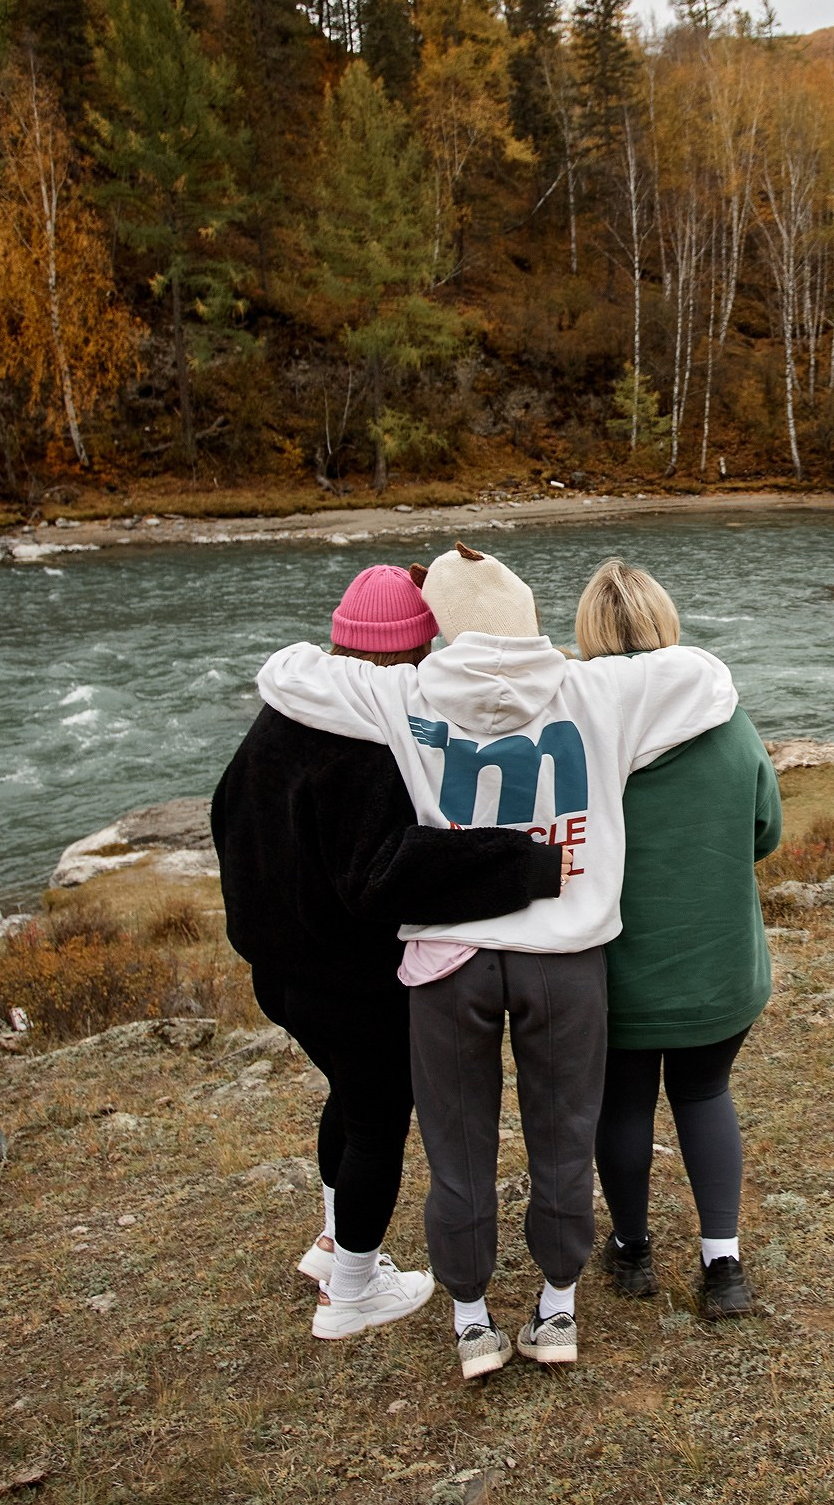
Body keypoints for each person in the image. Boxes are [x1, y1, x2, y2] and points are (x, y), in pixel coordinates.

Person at [254, 541, 739, 1381]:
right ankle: (556, 1308)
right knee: (561, 1136)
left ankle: (471, 1318)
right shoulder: (596, 690)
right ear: (530, 620)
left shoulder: (402, 693)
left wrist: (417, 608)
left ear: (446, 629)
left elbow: (286, 671)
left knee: (458, 1144)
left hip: (450, 959)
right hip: (565, 956)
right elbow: (708, 677)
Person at [211, 563, 565, 1344]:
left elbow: (226, 816)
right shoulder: (364, 741)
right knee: (377, 1117)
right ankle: (354, 1290)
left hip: (278, 967)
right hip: (345, 981)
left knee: (346, 1095)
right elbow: (386, 872)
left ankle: (335, 1242)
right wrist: (528, 861)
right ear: (412, 656)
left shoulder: (284, 712)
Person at [574, 559, 779, 1321]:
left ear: (589, 631)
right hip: (719, 968)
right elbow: (767, 829)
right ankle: (722, 1264)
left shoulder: (577, 724)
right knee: (705, 1090)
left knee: (621, 1105)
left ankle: (631, 1252)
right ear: (665, 619)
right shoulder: (725, 711)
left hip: (616, 969)